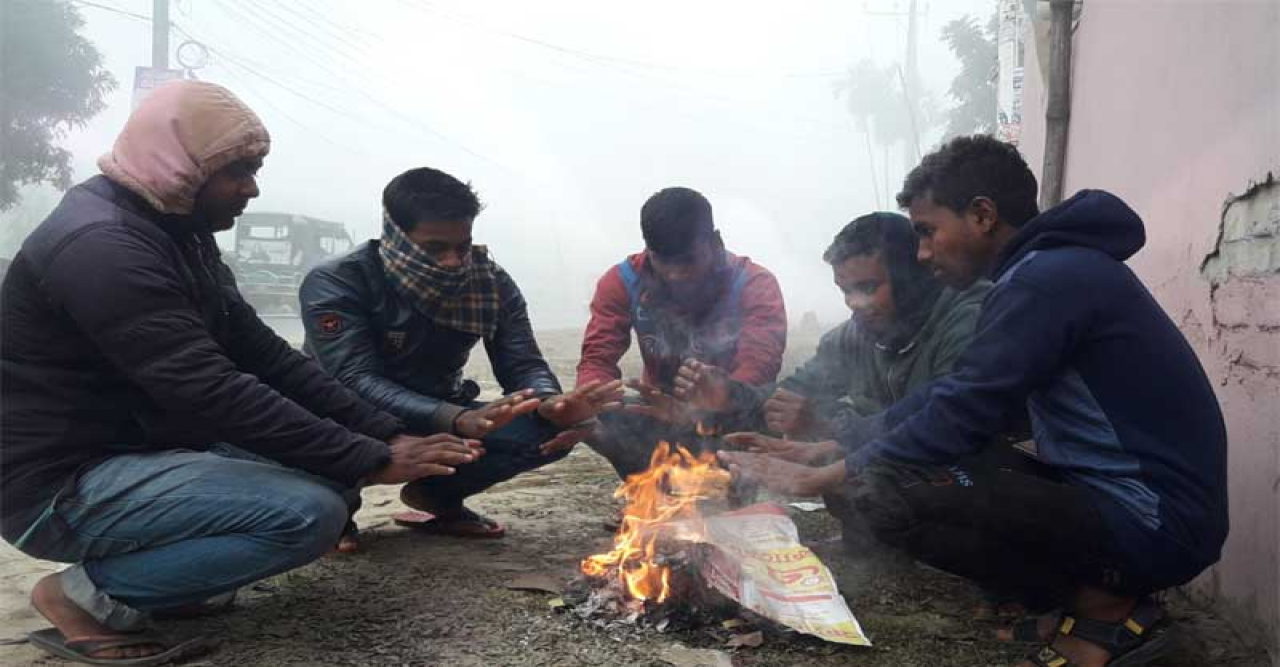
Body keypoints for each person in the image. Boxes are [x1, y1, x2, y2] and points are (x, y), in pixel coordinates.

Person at [0, 81, 477, 666]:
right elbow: (209, 389)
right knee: (310, 513)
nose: (251, 188)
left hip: (139, 450)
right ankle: (84, 596)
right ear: (178, 165)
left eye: (254, 169)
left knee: (328, 477)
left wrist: (381, 433)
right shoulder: (104, 247)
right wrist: (370, 459)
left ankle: (164, 581)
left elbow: (263, 355)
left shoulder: (179, 233)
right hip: (59, 483)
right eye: (238, 171)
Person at [723, 135, 1228, 667]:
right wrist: (830, 447)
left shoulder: (1047, 279)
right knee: (913, 474)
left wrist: (828, 475)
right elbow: (949, 396)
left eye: (927, 232)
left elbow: (964, 411)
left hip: (1155, 520)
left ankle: (1111, 617)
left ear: (982, 215)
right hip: (1133, 504)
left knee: (891, 493)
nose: (921, 253)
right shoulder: (1044, 273)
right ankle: (1088, 604)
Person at [301, 167, 621, 544]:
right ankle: (340, 508)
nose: (454, 261)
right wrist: (457, 418)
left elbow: (523, 364)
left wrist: (550, 404)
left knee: (550, 431)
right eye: (435, 248)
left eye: (462, 246)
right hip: (348, 416)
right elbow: (355, 379)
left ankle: (435, 496)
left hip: (444, 412)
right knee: (319, 481)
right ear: (396, 236)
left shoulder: (490, 282)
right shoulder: (337, 281)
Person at [576, 186, 787, 479]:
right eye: (663, 261)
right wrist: (590, 397)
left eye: (688, 261)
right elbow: (598, 358)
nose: (675, 274)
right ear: (648, 250)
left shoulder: (753, 284)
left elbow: (759, 369)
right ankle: (648, 490)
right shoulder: (622, 281)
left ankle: (727, 485)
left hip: (729, 412)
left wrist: (717, 398)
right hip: (660, 410)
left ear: (715, 242)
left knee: (772, 408)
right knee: (599, 418)